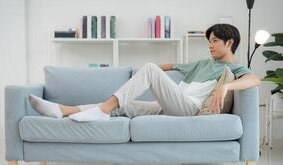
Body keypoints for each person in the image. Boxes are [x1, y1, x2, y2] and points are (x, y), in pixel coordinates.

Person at [28, 23, 261, 122]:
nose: (210, 45)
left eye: (214, 41)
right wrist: (136, 77)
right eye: (209, 41)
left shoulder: (234, 68)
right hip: (170, 104)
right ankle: (62, 111)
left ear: (229, 43)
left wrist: (226, 86)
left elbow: (254, 79)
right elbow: (170, 66)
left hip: (189, 108)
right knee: (125, 105)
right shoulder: (201, 63)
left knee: (149, 68)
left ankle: (102, 109)